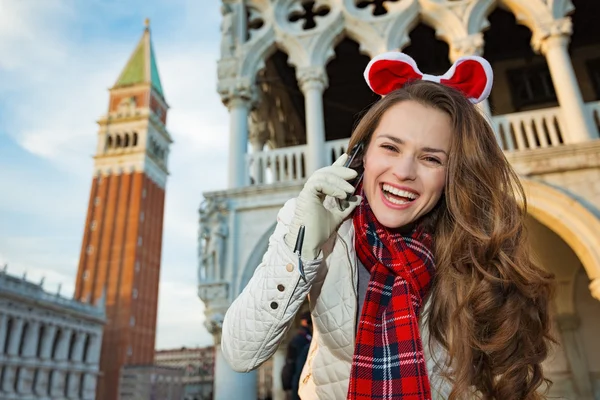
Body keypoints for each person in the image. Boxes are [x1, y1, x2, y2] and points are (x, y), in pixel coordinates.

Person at [221, 52, 554, 400]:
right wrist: (302, 244)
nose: (404, 172)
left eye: (430, 158)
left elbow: (502, 377)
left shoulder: (475, 243)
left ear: (454, 173)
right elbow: (241, 353)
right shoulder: (320, 225)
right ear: (362, 154)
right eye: (390, 147)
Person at [281, 311, 313, 400]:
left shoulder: (305, 339)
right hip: (298, 383)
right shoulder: (300, 340)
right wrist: (288, 386)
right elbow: (291, 365)